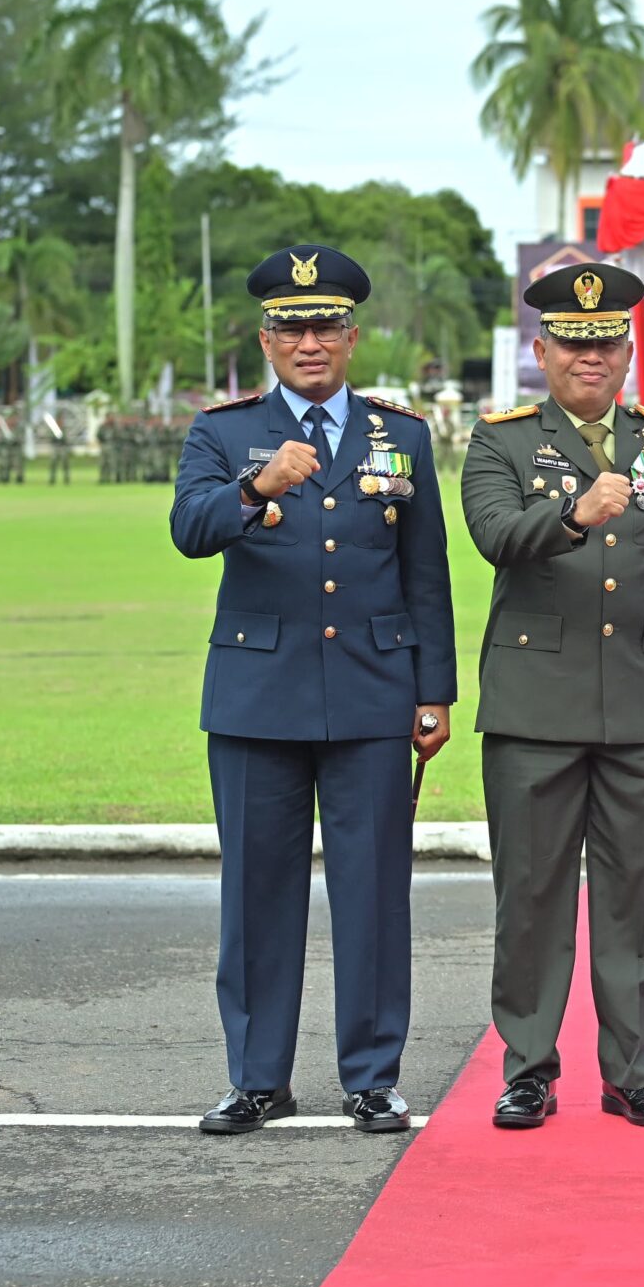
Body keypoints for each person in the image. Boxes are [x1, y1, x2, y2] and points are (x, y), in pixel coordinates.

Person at [169, 244, 453, 1136]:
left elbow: (426, 572)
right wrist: (258, 484)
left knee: (373, 892)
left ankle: (372, 1075)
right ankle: (259, 1077)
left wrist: (433, 690)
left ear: (353, 335)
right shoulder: (220, 432)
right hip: (259, 695)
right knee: (258, 894)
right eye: (292, 327)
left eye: (325, 325)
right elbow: (188, 529)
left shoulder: (398, 434)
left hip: (372, 690)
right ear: (265, 338)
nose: (310, 342)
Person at [461, 262, 644, 1130]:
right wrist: (577, 513)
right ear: (541, 349)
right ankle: (529, 1069)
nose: (591, 356)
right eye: (573, 342)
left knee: (639, 897)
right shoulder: (499, 440)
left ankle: (632, 1070)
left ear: (627, 350)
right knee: (533, 896)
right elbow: (496, 536)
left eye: (606, 342)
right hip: (534, 706)